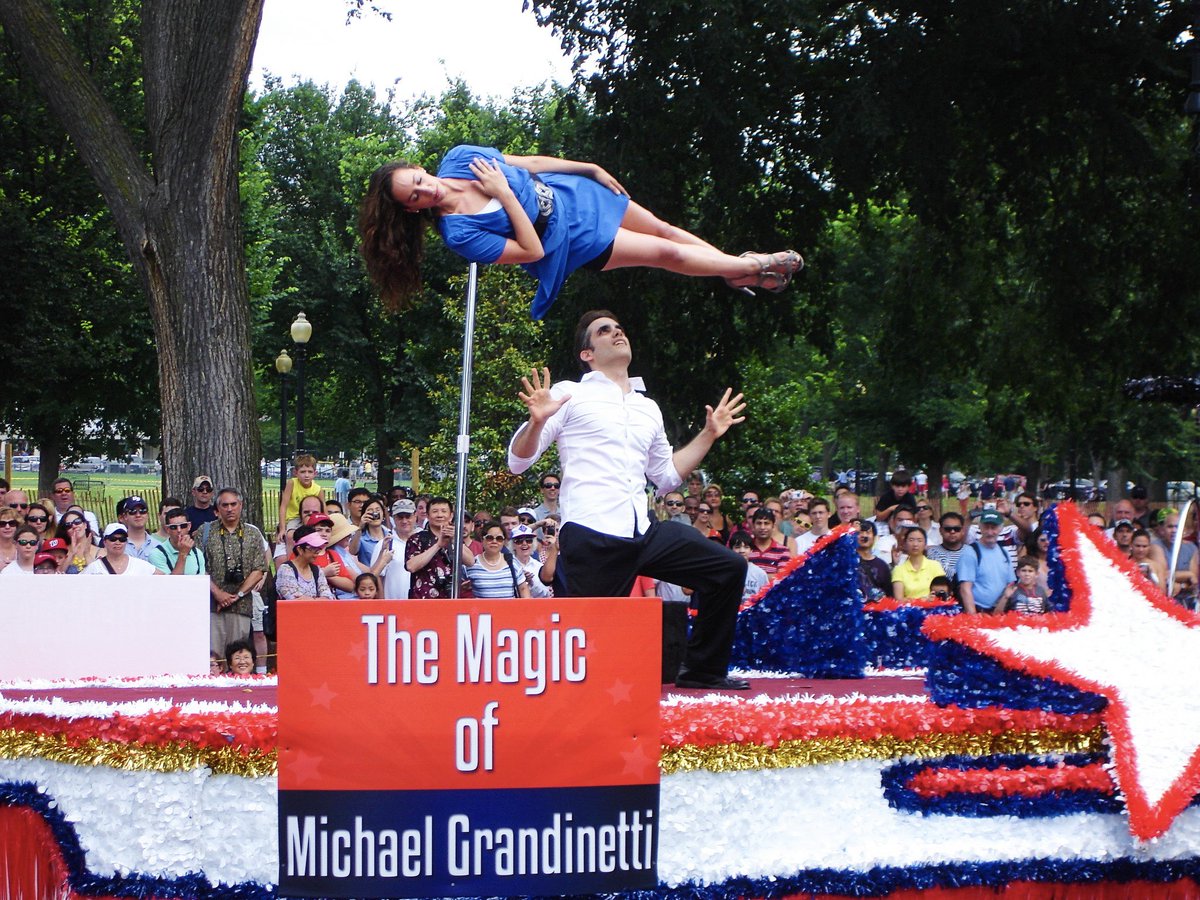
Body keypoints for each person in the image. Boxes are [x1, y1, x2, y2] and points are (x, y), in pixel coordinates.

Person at [508, 309, 750, 690]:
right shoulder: (568, 394)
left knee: (728, 568)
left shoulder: (646, 407)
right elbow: (517, 461)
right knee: (585, 656)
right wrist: (537, 421)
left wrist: (708, 434)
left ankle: (703, 670)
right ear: (587, 353)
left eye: (619, 328)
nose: (617, 333)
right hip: (592, 535)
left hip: (643, 529)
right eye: (604, 331)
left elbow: (667, 477)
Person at [360, 145, 804, 319]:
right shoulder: (459, 233)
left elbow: (528, 165)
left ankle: (730, 270)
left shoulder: (459, 159)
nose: (425, 190)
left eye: (417, 180)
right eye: (414, 197)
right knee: (661, 253)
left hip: (572, 193)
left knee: (667, 230)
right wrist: (504, 195)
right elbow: (531, 251)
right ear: (410, 210)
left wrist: (589, 167)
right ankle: (753, 264)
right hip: (564, 240)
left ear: (417, 168)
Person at [203, 488, 267, 656]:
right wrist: (217, 593)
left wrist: (236, 596)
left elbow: (259, 569)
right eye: (225, 505)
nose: (229, 509)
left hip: (241, 606)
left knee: (238, 657)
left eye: (233, 504)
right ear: (217, 508)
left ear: (241, 505)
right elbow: (197, 567)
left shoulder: (253, 534)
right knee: (213, 658)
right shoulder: (205, 532)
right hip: (211, 605)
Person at [406, 496, 476, 599]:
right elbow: (411, 566)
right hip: (422, 601)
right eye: (435, 511)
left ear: (451, 515)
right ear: (428, 515)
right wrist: (438, 545)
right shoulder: (417, 538)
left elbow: (471, 561)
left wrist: (454, 540)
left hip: (450, 600)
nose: (439, 515)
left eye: (444, 511)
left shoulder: (455, 538)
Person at [955, 509, 1015, 614]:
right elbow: (965, 589)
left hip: (998, 612)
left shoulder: (1004, 553)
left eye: (994, 527)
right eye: (986, 527)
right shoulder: (970, 552)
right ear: (980, 527)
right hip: (977, 611)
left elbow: (1010, 584)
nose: (990, 532)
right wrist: (973, 618)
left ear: (1001, 528)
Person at [464, 521, 531, 599]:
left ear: (504, 541)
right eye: (490, 538)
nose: (494, 541)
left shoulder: (512, 562)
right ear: (482, 539)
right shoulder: (471, 564)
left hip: (509, 610)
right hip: (482, 611)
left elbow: (523, 589)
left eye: (499, 538)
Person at [275, 526, 336, 601]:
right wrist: (319, 600)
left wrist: (311, 600)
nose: (317, 551)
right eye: (313, 548)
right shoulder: (286, 569)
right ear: (300, 549)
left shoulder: (317, 571)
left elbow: (328, 597)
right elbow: (296, 600)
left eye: (319, 548)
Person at [276, 453, 324, 542]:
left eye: (310, 472)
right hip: (294, 518)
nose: (306, 475)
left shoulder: (318, 489)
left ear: (315, 473)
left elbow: (324, 511)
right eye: (303, 471)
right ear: (295, 472)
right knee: (291, 536)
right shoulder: (292, 484)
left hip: (312, 519)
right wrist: (282, 528)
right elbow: (283, 506)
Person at [891, 526, 946, 600]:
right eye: (911, 540)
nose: (915, 544)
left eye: (919, 540)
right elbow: (899, 599)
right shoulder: (899, 570)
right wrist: (923, 600)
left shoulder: (935, 565)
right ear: (905, 544)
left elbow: (942, 592)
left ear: (925, 544)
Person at [83, 523, 159, 575]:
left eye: (122, 539)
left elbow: (163, 577)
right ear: (105, 542)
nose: (117, 542)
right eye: (113, 539)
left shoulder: (139, 564)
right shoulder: (95, 568)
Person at [152, 507, 206, 575]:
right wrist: (182, 554)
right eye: (174, 527)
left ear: (189, 526)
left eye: (183, 526)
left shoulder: (198, 553)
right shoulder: (157, 554)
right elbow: (172, 584)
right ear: (168, 529)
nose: (179, 530)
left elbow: (202, 582)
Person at [509, 523, 557, 598]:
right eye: (519, 541)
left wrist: (531, 584)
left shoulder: (539, 566)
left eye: (528, 540)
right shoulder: (507, 565)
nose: (524, 544)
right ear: (513, 545)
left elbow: (545, 594)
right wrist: (520, 582)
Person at [855, 519, 893, 601]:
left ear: (875, 538)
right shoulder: (848, 562)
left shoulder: (882, 565)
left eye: (868, 532)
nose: (864, 535)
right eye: (860, 532)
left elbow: (889, 595)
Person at [116, 495, 161, 562]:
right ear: (125, 516)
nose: (138, 515)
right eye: (132, 511)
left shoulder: (158, 546)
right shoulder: (116, 544)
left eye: (142, 511)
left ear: (147, 515)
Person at [747, 508, 790, 576]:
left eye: (766, 523)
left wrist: (754, 577)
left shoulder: (783, 551)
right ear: (753, 525)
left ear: (773, 526)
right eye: (759, 523)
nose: (762, 527)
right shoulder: (746, 548)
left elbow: (781, 577)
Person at [728, 532, 770, 601]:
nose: (742, 551)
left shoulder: (760, 573)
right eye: (737, 547)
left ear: (751, 550)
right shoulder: (725, 572)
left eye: (746, 547)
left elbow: (765, 598)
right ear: (731, 549)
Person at [927, 512, 968, 581]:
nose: (952, 532)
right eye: (948, 529)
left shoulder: (970, 552)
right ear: (940, 530)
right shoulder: (931, 553)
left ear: (962, 531)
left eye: (956, 529)